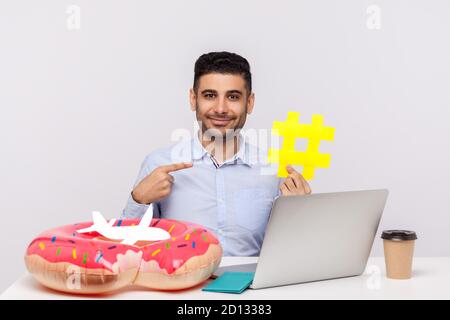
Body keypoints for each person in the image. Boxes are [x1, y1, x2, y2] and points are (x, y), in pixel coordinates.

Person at [122, 51, 311, 256]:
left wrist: (299, 213)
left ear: (249, 103)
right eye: (210, 95)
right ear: (193, 99)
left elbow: (293, 256)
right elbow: (126, 252)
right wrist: (138, 200)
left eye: (233, 97)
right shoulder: (159, 164)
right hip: (185, 287)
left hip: (252, 287)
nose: (221, 109)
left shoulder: (275, 170)